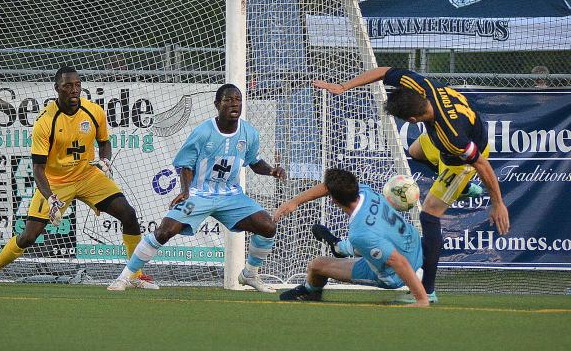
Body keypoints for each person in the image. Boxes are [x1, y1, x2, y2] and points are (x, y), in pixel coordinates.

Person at [314, 67, 510, 303]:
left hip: (462, 162)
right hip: (444, 140)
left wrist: (497, 203)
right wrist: (344, 87)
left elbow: (482, 164)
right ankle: (463, 188)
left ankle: (427, 290)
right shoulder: (423, 86)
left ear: (412, 120)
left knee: (429, 215)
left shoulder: (453, 137)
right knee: (415, 151)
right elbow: (384, 71)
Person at [0, 66, 156, 289]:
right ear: (57, 88)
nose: (74, 90)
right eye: (68, 86)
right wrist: (50, 197)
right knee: (28, 237)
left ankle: (136, 275)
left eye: (77, 85)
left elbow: (104, 142)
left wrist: (105, 160)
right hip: (56, 182)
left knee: (129, 214)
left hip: (88, 176)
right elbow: (38, 168)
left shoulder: (94, 111)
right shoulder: (45, 122)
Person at [107, 84, 286, 292]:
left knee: (268, 226)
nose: (234, 103)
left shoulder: (249, 133)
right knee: (165, 231)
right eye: (228, 100)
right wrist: (185, 191)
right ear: (217, 105)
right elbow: (186, 164)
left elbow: (254, 162)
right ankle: (125, 277)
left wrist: (271, 171)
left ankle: (250, 275)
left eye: (237, 99)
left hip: (230, 195)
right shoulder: (203, 132)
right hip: (199, 194)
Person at [274, 168, 429, 307]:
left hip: (395, 274)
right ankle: (338, 247)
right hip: (417, 248)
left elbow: (397, 261)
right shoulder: (365, 192)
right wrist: (295, 202)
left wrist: (421, 299)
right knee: (370, 244)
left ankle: (311, 288)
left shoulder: (360, 232)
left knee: (316, 265)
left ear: (333, 200)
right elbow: (328, 187)